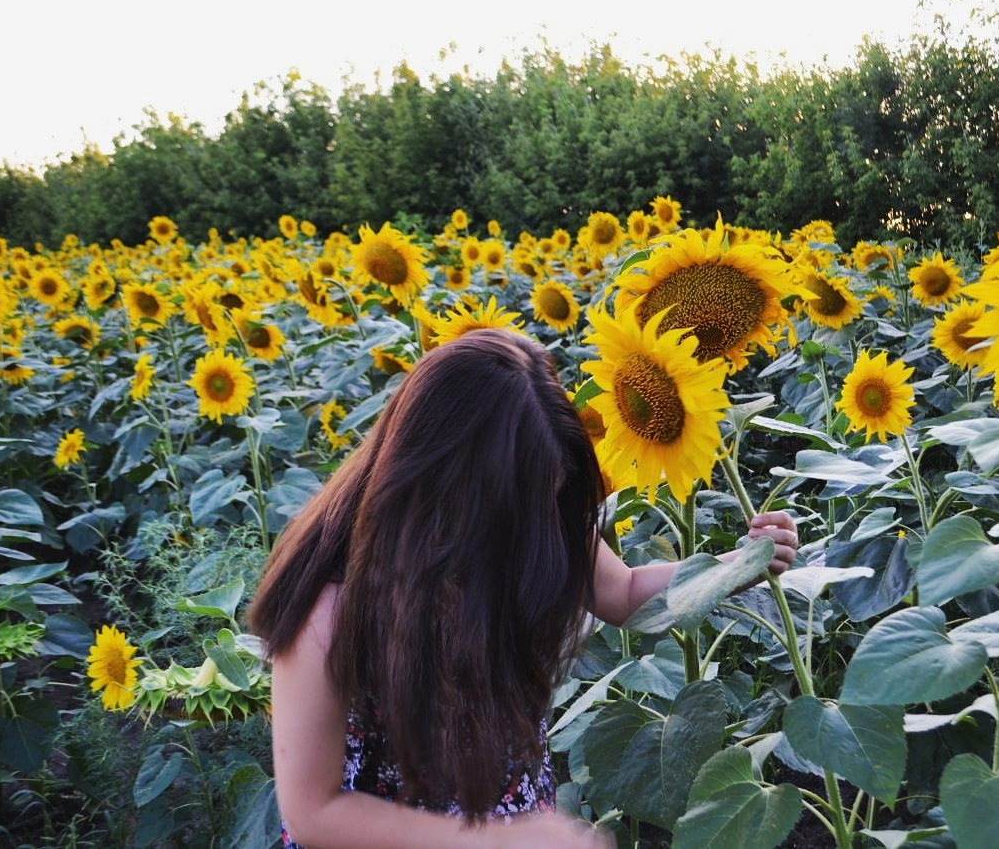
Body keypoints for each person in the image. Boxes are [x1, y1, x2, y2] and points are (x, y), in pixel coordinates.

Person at [248, 329, 798, 848]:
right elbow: (313, 810)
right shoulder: (331, 603)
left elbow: (626, 592)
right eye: (520, 509)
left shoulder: (534, 513)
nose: (538, 530)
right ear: (440, 485)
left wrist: (736, 564)